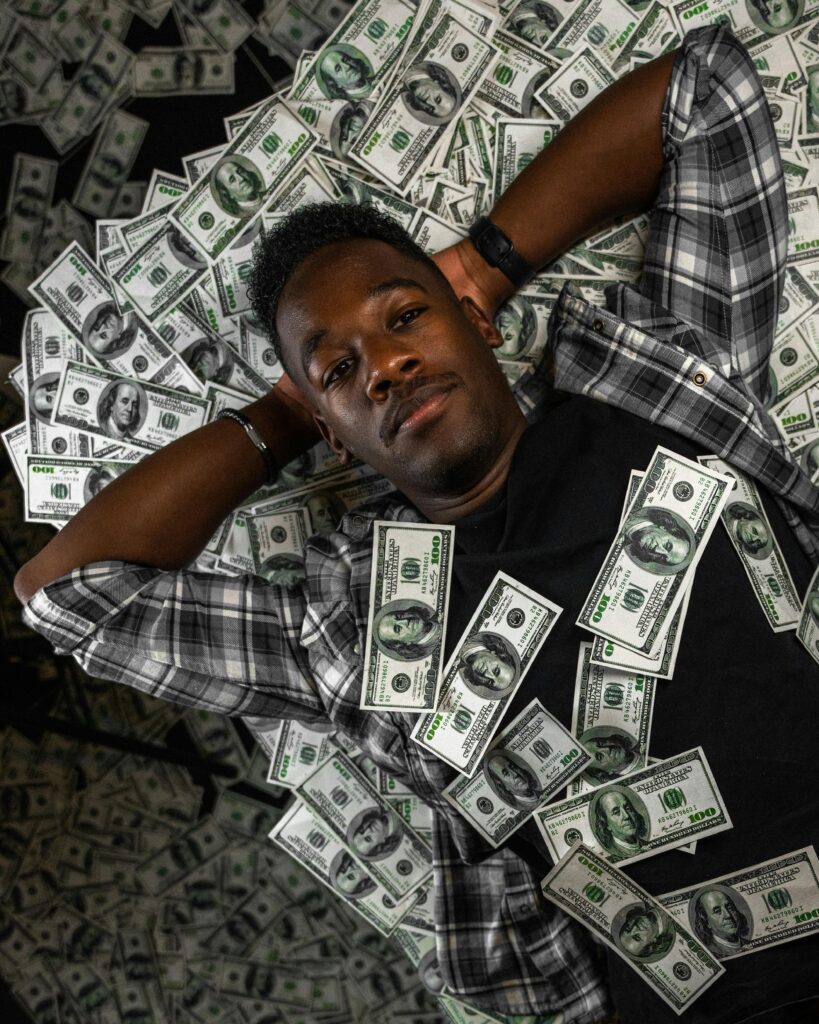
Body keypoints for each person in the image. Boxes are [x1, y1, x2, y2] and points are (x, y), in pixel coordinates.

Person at [15, 26, 819, 1024]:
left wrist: (482, 264)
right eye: (341, 369)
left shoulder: (659, 380)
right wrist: (279, 418)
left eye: (404, 318)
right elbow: (66, 596)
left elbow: (706, 90)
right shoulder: (348, 629)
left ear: (475, 322)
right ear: (335, 434)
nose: (382, 364)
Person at [590, 787, 650, 861]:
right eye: (616, 812)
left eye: (628, 808)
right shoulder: (611, 853)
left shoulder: (648, 844)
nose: (627, 816)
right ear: (606, 824)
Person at [691, 886, 753, 958]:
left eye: (729, 908)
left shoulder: (750, 944)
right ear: (706, 922)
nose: (728, 915)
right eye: (717, 911)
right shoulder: (708, 952)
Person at [373, 601, 442, 659]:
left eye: (400, 616)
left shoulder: (441, 610)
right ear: (405, 643)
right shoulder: (435, 651)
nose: (405, 621)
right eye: (398, 628)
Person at [458, 632, 519, 698]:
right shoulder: (476, 635)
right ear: (496, 654)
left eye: (490, 682)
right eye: (495, 670)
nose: (486, 675)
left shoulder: (456, 668)